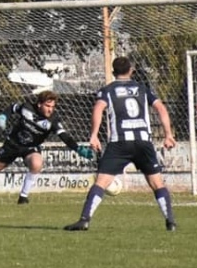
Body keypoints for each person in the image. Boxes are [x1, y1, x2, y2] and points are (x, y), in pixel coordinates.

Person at [64, 56, 177, 232]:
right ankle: (170, 222)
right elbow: (161, 108)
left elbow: (98, 108)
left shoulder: (107, 91)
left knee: (100, 182)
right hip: (143, 142)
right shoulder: (142, 89)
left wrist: (94, 135)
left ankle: (84, 220)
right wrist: (168, 134)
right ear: (131, 70)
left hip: (120, 143)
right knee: (157, 183)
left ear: (113, 71)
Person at [0, 89, 94, 205]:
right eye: (47, 106)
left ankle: (23, 198)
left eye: (52, 107)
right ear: (39, 104)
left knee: (37, 163)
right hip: (13, 144)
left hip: (31, 148)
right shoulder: (27, 108)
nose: (51, 109)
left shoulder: (53, 121)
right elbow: (12, 108)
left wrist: (78, 149)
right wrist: (3, 117)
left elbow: (65, 137)